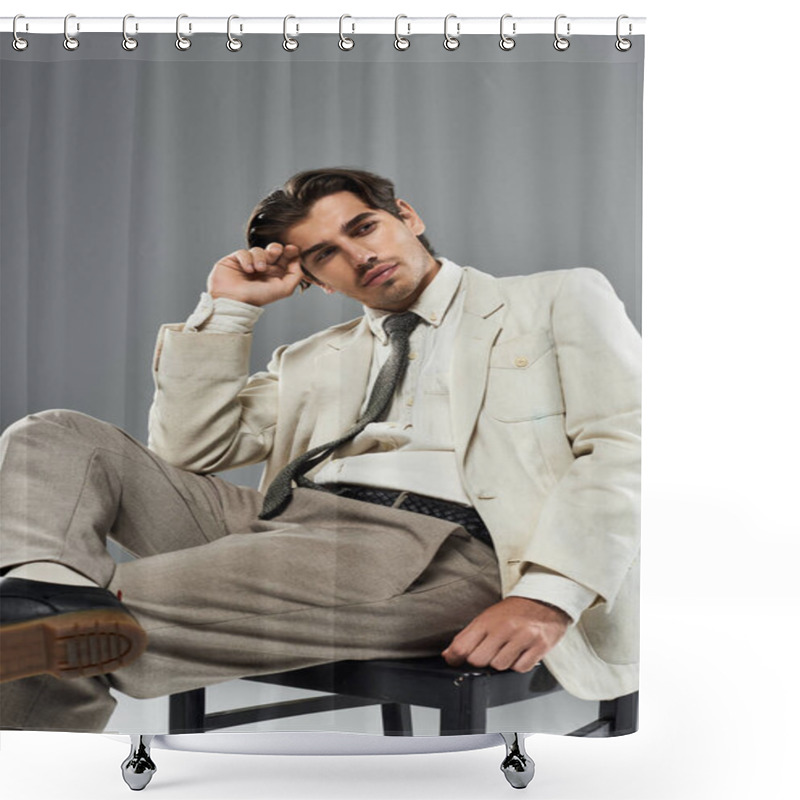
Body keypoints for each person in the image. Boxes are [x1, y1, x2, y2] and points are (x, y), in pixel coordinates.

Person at [0, 168, 641, 732]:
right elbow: (189, 448)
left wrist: (550, 594)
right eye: (325, 255)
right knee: (56, 434)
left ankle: (38, 675)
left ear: (407, 217)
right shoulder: (313, 358)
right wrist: (228, 312)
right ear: (316, 280)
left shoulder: (553, 300)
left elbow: (627, 446)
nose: (359, 256)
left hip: (435, 547)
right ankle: (41, 587)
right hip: (282, 523)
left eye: (364, 228)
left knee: (56, 632)